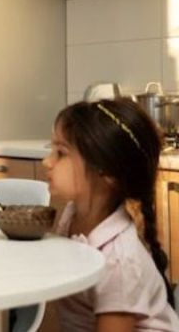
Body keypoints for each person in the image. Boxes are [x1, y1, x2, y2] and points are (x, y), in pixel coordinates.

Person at [43, 99, 179, 331]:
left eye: (61, 153)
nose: (47, 162)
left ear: (105, 172)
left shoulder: (119, 262)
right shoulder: (73, 213)